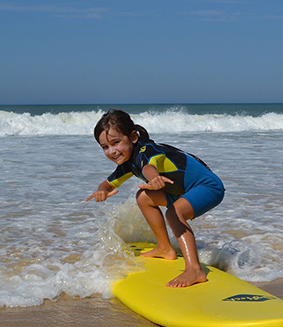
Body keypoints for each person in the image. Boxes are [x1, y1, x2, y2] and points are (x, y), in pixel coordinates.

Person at [86, 109, 225, 288]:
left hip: (208, 186)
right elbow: (108, 183)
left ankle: (194, 269)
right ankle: (165, 248)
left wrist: (153, 178)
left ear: (133, 137)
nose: (111, 151)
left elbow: (149, 166)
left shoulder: (146, 150)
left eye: (116, 142)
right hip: (182, 189)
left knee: (174, 214)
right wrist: (101, 191)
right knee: (143, 197)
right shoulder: (127, 161)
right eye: (105, 147)